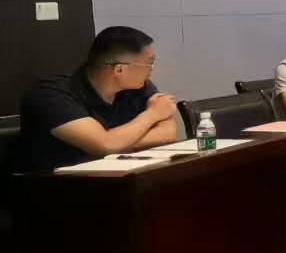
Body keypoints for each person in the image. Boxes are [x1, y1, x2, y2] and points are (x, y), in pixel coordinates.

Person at [17, 26, 181, 171]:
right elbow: (105, 144)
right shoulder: (51, 95)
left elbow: (168, 134)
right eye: (149, 63)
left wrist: (118, 144)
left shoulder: (138, 87)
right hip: (57, 186)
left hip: (117, 179)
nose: (151, 70)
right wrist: (151, 114)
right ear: (119, 69)